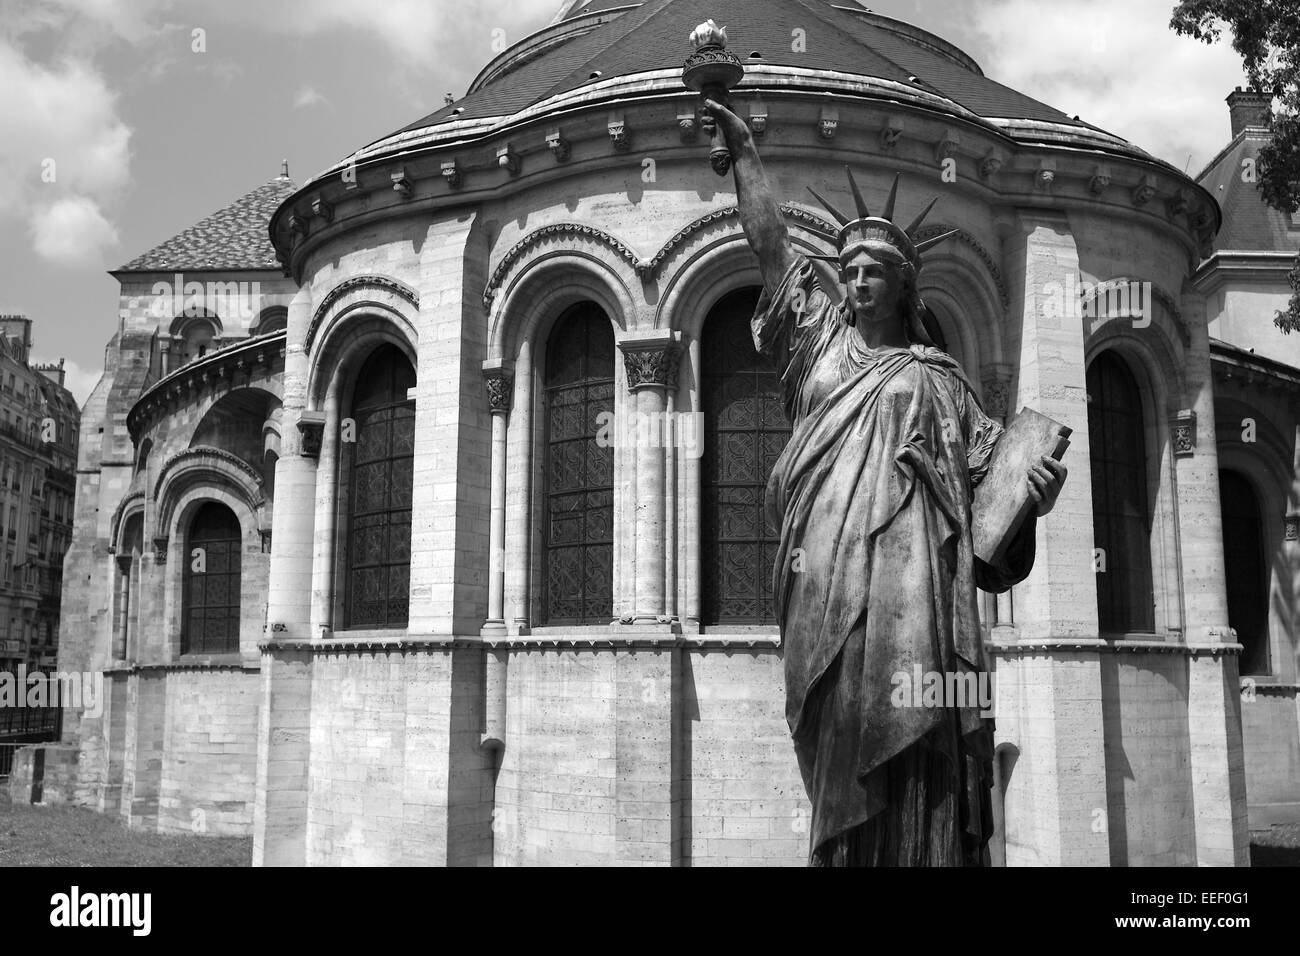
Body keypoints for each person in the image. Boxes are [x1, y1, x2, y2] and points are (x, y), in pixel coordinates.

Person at [701, 98, 1067, 866]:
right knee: (838, 738)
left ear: (903, 287)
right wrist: (744, 155)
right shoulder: (821, 354)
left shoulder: (939, 378)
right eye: (850, 272)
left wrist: (1035, 491)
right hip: (824, 588)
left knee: (923, 735)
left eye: (874, 273)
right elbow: (772, 251)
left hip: (919, 601)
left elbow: (990, 496)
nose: (858, 282)